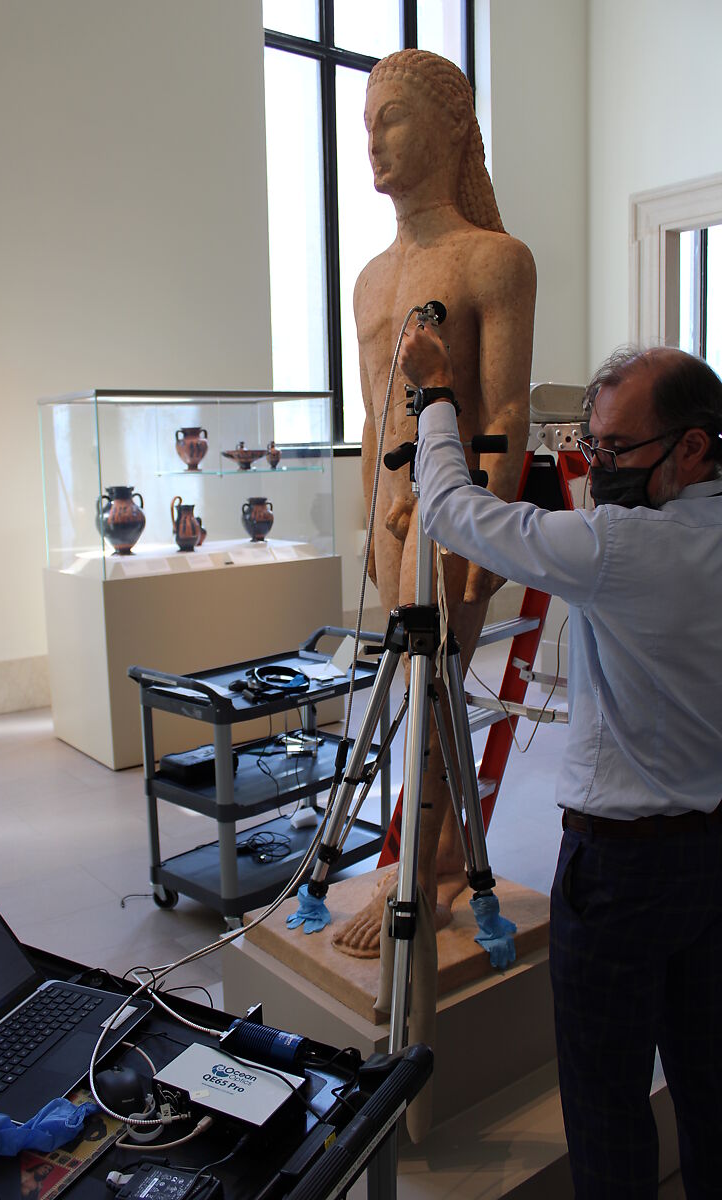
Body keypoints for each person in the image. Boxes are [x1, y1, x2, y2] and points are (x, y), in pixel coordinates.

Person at [399, 328, 722, 1199]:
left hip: (622, 872)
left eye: (614, 449)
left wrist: (434, 402)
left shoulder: (622, 547)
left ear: (692, 447)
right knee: (709, 1084)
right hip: (710, 854)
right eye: (589, 444)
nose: (597, 465)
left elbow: (453, 512)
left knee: (606, 1103)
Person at [335, 47, 536, 956]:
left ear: (452, 128)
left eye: (394, 119)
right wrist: (370, 505)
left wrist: (479, 526)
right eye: (367, 121)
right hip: (390, 520)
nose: (372, 141)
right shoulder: (370, 280)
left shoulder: (495, 260)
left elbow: (505, 411)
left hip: (452, 516)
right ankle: (429, 852)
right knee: (415, 688)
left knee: (439, 689)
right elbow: (375, 419)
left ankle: (431, 867)